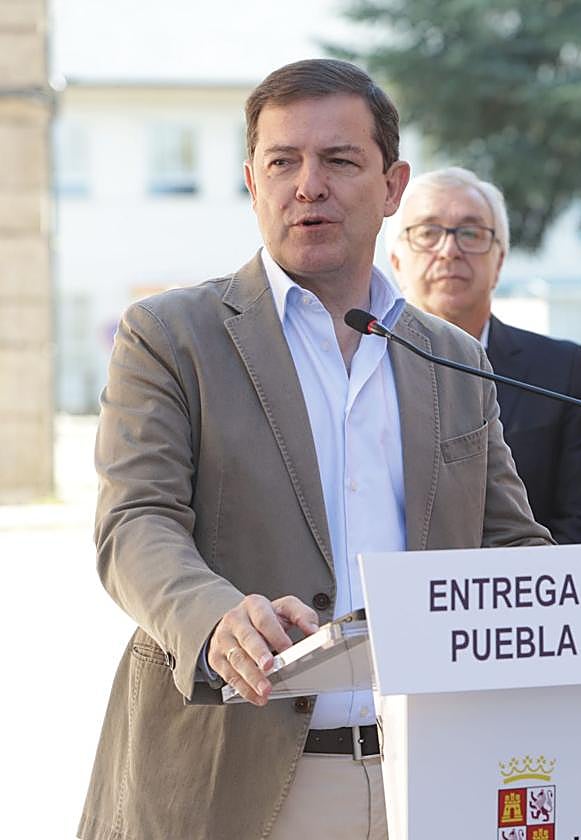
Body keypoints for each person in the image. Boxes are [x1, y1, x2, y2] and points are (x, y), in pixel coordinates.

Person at [78, 59, 551, 840]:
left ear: (392, 186)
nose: (308, 186)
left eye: (339, 160)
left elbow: (509, 547)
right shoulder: (170, 336)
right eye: (282, 162)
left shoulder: (454, 358)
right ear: (251, 182)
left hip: (432, 773)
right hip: (235, 779)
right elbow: (134, 524)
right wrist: (215, 618)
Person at [388, 166, 581, 544]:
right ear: (396, 261)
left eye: (470, 233)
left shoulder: (561, 371)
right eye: (428, 233)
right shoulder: (361, 366)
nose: (449, 250)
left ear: (498, 262)